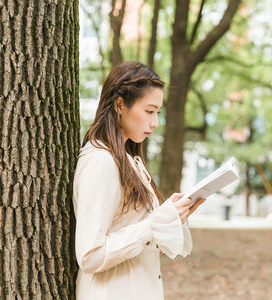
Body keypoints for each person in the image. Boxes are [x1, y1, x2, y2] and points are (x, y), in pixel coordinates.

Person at [72, 61, 206, 299]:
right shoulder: (101, 162)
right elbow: (90, 255)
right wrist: (154, 223)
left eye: (158, 113)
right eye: (149, 111)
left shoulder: (130, 161)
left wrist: (173, 217)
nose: (154, 122)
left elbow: (143, 244)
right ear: (120, 105)